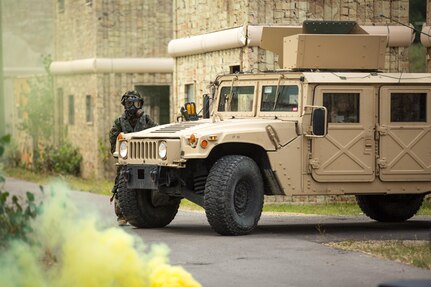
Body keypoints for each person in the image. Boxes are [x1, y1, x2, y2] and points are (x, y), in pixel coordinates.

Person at [109, 90, 157, 225]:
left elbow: (157, 131)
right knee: (121, 184)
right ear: (125, 105)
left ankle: (147, 209)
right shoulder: (119, 122)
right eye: (130, 103)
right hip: (127, 159)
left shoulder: (145, 119)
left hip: (146, 158)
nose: (134, 107)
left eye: (137, 103)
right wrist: (119, 155)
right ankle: (121, 214)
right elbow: (113, 142)